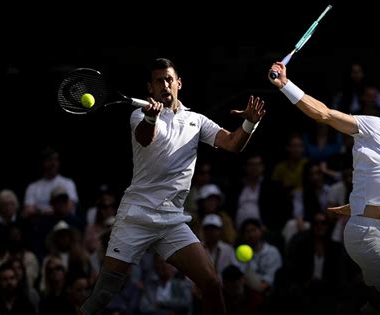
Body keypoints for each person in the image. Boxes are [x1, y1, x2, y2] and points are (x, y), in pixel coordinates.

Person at [80, 57, 265, 315]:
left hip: (171, 220)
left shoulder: (197, 121)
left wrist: (250, 123)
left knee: (211, 283)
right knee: (102, 295)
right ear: (150, 88)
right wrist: (151, 119)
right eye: (159, 81)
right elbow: (145, 139)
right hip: (136, 216)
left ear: (178, 83)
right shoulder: (139, 115)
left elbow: (233, 144)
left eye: (169, 79)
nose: (165, 85)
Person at [268, 62, 380, 313]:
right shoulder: (372, 126)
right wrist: (285, 85)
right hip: (366, 234)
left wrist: (354, 204)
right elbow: (324, 114)